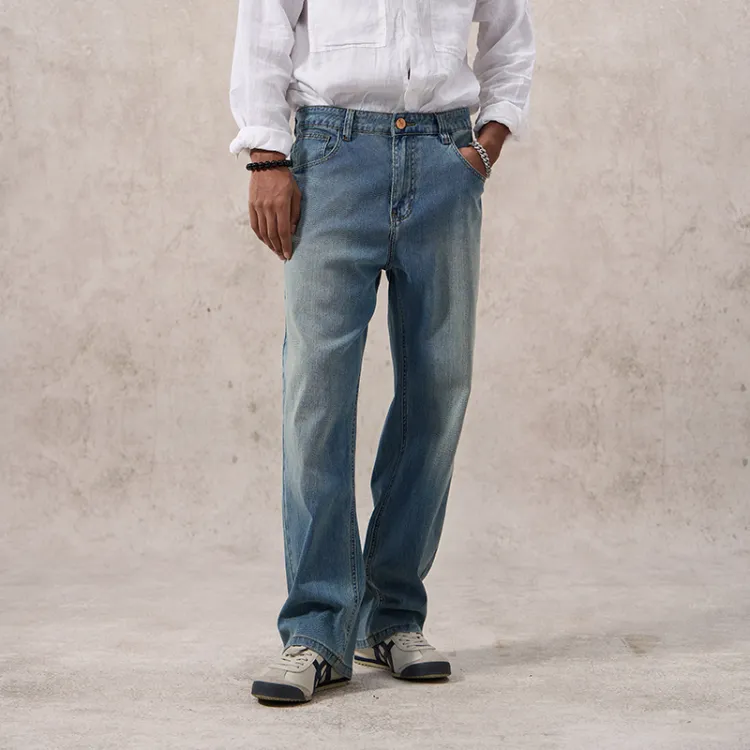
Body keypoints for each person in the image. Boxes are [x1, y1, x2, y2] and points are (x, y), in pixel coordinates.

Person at [229, 0, 535, 704]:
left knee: (439, 386)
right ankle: (316, 629)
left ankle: (392, 616)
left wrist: (485, 145)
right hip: (331, 153)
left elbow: (510, 34)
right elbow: (264, 26)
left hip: (445, 156)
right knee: (317, 395)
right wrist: (266, 155)